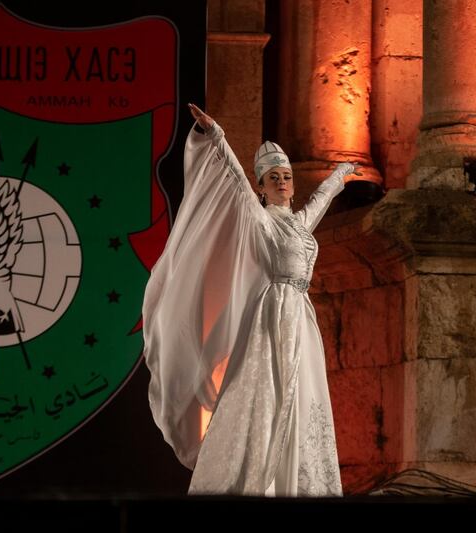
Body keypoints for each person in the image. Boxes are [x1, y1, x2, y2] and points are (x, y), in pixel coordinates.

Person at [142, 102, 359, 497]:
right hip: (271, 319)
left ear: (293, 184)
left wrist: (341, 174)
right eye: (273, 177)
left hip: (301, 319)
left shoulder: (299, 222)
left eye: (286, 177)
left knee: (303, 397)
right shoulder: (261, 221)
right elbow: (236, 179)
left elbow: (321, 201)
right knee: (265, 398)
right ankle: (259, 485)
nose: (280, 182)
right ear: (262, 185)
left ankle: (299, 485)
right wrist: (217, 135)